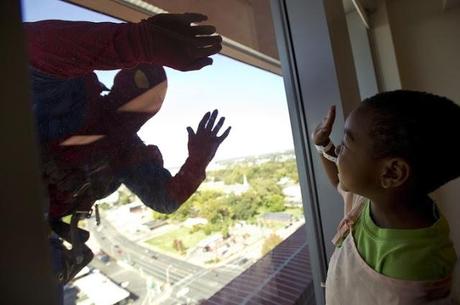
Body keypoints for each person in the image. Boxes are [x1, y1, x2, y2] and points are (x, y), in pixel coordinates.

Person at [24, 13, 230, 286]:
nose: (144, 97)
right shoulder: (75, 96)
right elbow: (26, 50)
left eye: (153, 93)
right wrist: (139, 42)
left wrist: (198, 159)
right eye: (144, 83)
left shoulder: (126, 152)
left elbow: (164, 199)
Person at [312, 90, 459, 304]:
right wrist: (323, 145)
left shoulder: (414, 270)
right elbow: (339, 180)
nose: (338, 150)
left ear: (392, 173)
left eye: (347, 143)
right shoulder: (367, 201)